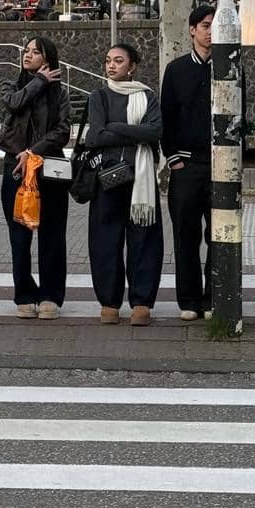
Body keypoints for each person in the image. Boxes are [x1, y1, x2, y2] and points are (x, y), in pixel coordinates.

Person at [86, 43, 163, 325]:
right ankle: (109, 301)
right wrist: (135, 133)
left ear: (132, 66)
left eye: (118, 61)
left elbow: (155, 131)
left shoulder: (147, 96)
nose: (111, 65)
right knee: (106, 240)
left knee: (144, 239)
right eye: (108, 60)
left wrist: (115, 128)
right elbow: (95, 137)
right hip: (108, 179)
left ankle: (142, 302)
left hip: (140, 178)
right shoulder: (99, 96)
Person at [0, 35, 72, 319]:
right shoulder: (12, 84)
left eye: (35, 52)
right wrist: (38, 82)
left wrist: (33, 151)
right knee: (19, 234)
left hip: (49, 167)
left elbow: (62, 131)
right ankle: (24, 294)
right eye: (26, 51)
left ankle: (51, 294)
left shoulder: (60, 94)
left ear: (47, 58)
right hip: (14, 168)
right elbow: (13, 104)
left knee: (52, 234)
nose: (27, 55)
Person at [160, 3, 214, 320]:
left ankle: (212, 298)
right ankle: (189, 301)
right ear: (192, 30)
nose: (210, 31)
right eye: (205, 25)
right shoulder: (177, 69)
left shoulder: (230, 66)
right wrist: (173, 158)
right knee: (186, 235)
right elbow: (166, 116)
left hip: (220, 166)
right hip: (186, 165)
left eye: (214, 25)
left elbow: (240, 115)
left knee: (220, 237)